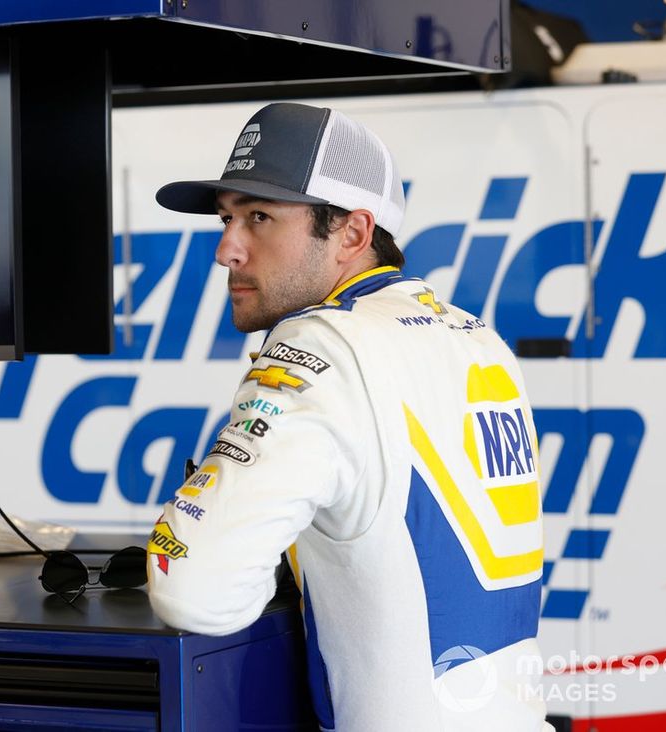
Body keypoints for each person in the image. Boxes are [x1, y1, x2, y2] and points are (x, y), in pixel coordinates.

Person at [147, 102, 548, 731]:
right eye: (228, 218)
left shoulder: (324, 344)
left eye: (259, 217)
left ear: (353, 235)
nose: (228, 248)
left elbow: (195, 591)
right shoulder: (474, 334)